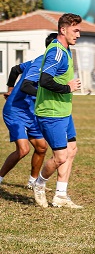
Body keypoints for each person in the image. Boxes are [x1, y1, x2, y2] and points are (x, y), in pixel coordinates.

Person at [32, 13, 83, 209]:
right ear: (63, 29)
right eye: (75, 30)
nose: (78, 35)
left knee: (72, 150)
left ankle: (61, 195)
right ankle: (39, 184)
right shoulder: (56, 52)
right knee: (60, 157)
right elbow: (44, 80)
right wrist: (67, 88)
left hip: (63, 111)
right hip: (51, 113)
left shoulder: (66, 49)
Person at [0, 33, 56, 198]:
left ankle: (32, 181)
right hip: (15, 110)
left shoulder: (50, 63)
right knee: (23, 150)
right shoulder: (40, 63)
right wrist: (12, 91)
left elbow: (15, 70)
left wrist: (10, 88)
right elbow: (25, 85)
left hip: (30, 112)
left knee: (41, 147)